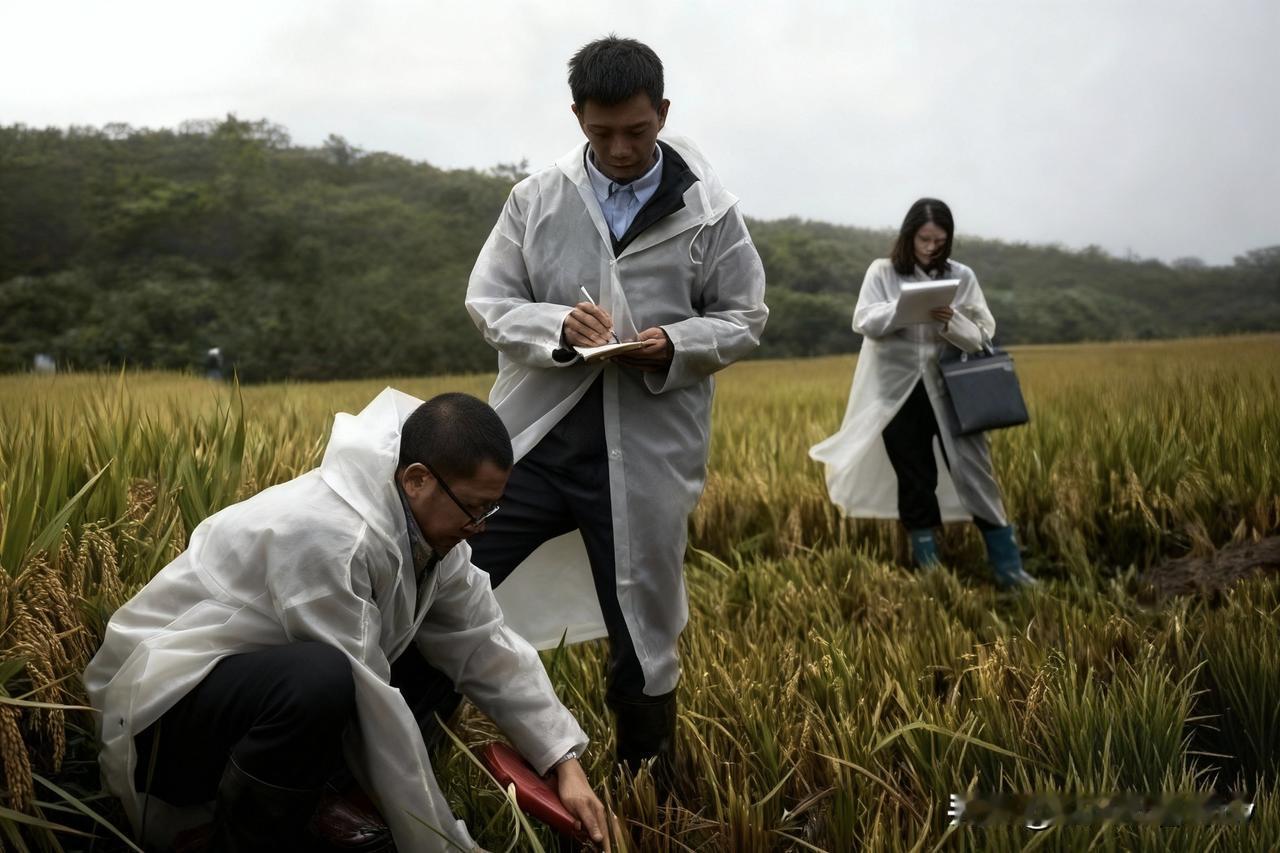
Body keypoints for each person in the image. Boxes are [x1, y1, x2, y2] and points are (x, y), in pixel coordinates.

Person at [84, 389, 610, 852]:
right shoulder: (327, 535)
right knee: (321, 679)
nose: (480, 528)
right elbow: (372, 703)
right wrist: (443, 842)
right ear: (418, 479)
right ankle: (232, 836)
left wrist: (562, 761)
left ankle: (322, 804)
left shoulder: (434, 533)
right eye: (473, 509)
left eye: (490, 511)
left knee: (441, 663)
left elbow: (485, 644)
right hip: (166, 717)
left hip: (252, 700)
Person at [458, 35, 768, 790]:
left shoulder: (710, 212)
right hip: (536, 441)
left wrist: (673, 343)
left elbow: (745, 315)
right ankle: (405, 726)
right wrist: (558, 326)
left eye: (637, 130)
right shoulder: (536, 198)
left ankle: (644, 778)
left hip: (647, 448)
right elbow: (489, 300)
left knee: (644, 616)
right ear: (578, 117)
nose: (621, 149)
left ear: (663, 112)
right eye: (601, 133)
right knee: (455, 574)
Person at [809, 198, 1035, 588]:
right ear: (909, 234)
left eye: (939, 240)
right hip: (898, 395)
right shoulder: (883, 272)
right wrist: (903, 308)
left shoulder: (962, 276)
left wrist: (951, 322)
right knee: (915, 479)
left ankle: (1009, 569)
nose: (930, 246)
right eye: (924, 238)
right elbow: (863, 319)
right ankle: (930, 571)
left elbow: (983, 335)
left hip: (952, 393)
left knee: (975, 473)